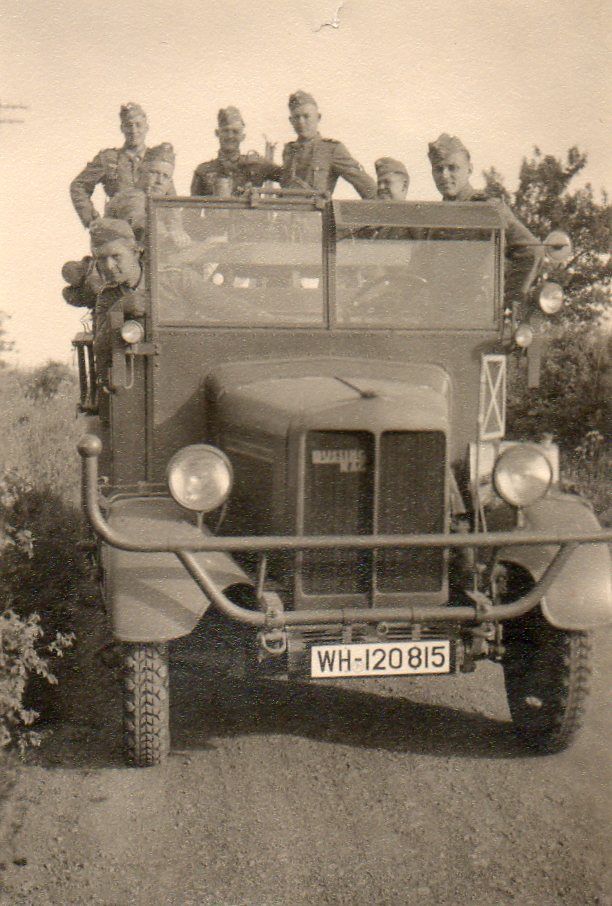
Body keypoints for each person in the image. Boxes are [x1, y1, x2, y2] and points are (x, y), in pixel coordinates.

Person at [427, 133, 542, 301]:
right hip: (437, 309)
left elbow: (532, 250)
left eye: (452, 168)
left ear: (469, 169)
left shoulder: (487, 210)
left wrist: (508, 301)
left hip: (479, 311)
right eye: (438, 169)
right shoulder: (433, 218)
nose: (444, 175)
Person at [70, 103, 175, 228]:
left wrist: (172, 229)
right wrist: (92, 220)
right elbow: (79, 185)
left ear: (146, 127)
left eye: (138, 125)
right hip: (118, 229)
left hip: (153, 229)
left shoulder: (158, 159)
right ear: (122, 128)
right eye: (129, 125)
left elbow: (171, 199)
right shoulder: (109, 158)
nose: (134, 131)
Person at [280, 91, 377, 198]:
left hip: (316, 208)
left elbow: (368, 187)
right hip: (286, 208)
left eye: (306, 116)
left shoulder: (331, 149)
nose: (301, 122)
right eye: (296, 117)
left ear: (318, 117)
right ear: (291, 121)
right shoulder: (289, 150)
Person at [105, 143, 189, 248]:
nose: (159, 181)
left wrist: (178, 233)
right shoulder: (131, 197)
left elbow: (176, 226)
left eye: (165, 176)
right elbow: (140, 224)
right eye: (154, 173)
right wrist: (169, 236)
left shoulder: (162, 204)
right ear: (139, 173)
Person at [191, 107, 281, 196]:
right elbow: (193, 204)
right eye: (225, 131)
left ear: (243, 136)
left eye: (235, 132)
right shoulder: (203, 171)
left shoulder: (257, 165)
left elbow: (286, 178)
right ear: (217, 133)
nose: (230, 136)